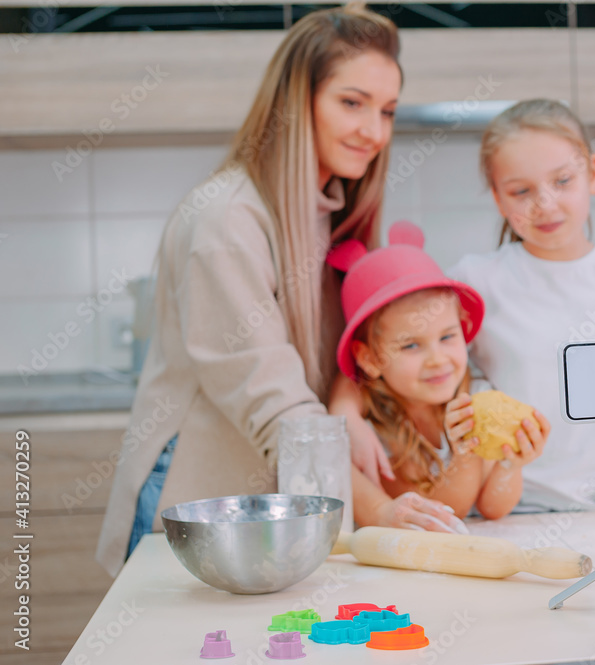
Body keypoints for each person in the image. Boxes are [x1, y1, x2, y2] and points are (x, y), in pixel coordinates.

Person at [96, 6, 456, 576]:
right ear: (296, 101)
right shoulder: (226, 220)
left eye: (386, 111)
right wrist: (380, 509)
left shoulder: (330, 209)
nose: (374, 131)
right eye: (351, 102)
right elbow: (278, 406)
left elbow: (358, 341)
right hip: (197, 494)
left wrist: (347, 403)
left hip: (277, 493)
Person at [347, 99, 595, 513]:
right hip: (510, 510)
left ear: (592, 174)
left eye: (562, 181)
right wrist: (344, 416)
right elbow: (376, 352)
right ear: (498, 199)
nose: (544, 203)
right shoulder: (475, 280)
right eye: (521, 191)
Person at [331, 221, 550, 528]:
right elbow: (441, 513)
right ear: (370, 358)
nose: (437, 360)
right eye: (410, 345)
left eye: (447, 337)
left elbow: (493, 507)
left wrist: (511, 465)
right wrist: (465, 455)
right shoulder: (377, 432)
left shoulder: (478, 396)